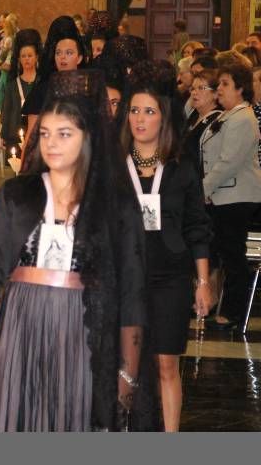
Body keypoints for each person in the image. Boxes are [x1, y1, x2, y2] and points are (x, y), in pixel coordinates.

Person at [0, 69, 149, 431]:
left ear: (88, 137)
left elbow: (132, 293)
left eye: (64, 134)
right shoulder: (17, 197)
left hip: (82, 331)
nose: (51, 143)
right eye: (44, 133)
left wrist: (128, 374)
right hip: (20, 327)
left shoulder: (113, 205)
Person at [121, 60, 213, 431]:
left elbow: (197, 226)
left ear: (164, 118)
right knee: (126, 364)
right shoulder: (114, 166)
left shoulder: (181, 168)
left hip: (170, 277)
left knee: (166, 363)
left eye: (149, 111)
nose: (140, 119)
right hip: (125, 277)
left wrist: (203, 282)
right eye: (134, 111)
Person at [201, 64, 261, 330]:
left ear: (240, 88)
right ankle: (217, 304)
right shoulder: (227, 115)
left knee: (233, 254)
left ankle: (234, 311)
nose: (219, 89)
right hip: (224, 195)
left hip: (237, 196)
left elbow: (228, 162)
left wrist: (203, 189)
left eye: (225, 84)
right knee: (223, 251)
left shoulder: (242, 118)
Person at [22, 16, 86, 139]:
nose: (62, 57)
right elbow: (31, 136)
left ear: (79, 58)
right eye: (58, 52)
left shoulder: (89, 88)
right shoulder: (41, 92)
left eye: (69, 52)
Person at [0, 29, 41, 152]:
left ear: (36, 57)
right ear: (18, 59)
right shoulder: (12, 85)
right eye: (23, 56)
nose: (27, 59)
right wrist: (3, 135)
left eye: (30, 56)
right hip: (15, 136)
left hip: (38, 136)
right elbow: (7, 111)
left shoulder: (42, 83)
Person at [183, 69, 221, 168]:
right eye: (193, 88)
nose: (194, 93)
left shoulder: (218, 119)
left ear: (215, 94)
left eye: (201, 88)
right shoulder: (194, 113)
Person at [0, 13, 18, 112]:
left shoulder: (10, 38)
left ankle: (0, 110)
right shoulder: (13, 37)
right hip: (7, 65)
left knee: (3, 88)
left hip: (7, 66)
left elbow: (4, 54)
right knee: (1, 87)